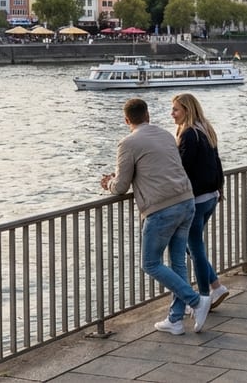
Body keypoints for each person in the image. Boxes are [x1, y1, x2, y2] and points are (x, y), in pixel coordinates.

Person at [102, 98, 210, 335]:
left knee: (150, 263)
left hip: (162, 208)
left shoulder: (128, 143)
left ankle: (196, 301)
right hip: (186, 200)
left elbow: (120, 186)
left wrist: (109, 183)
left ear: (127, 120)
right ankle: (175, 320)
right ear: (148, 116)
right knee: (178, 261)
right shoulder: (165, 134)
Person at [171, 93, 230, 310]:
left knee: (194, 248)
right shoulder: (206, 129)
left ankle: (204, 297)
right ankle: (216, 286)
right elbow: (217, 162)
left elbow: (182, 168)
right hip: (211, 197)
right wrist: (220, 189)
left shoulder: (188, 134)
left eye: (176, 109)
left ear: (187, 110)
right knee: (193, 246)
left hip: (196, 200)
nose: (172, 114)